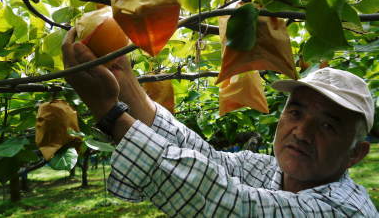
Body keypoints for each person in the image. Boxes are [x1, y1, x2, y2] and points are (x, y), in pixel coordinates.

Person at [62, 28, 378, 217]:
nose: (302, 132)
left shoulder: (346, 209)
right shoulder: (269, 170)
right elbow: (205, 156)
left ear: (356, 154)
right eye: (295, 112)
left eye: (327, 126)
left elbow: (231, 206)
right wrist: (124, 80)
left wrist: (110, 112)